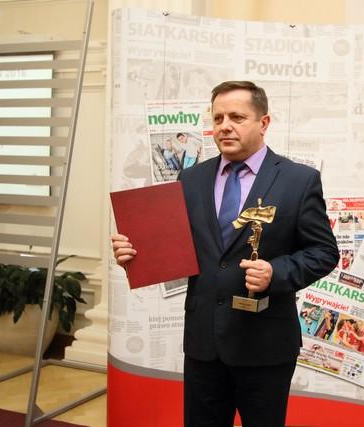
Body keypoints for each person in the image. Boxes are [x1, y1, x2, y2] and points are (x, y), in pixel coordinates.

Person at [112, 81, 339, 427]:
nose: (225, 126)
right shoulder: (191, 178)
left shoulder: (299, 180)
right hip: (203, 344)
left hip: (265, 346)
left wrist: (276, 272)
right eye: (218, 118)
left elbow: (324, 252)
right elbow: (177, 246)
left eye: (237, 117)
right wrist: (134, 253)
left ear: (263, 123)